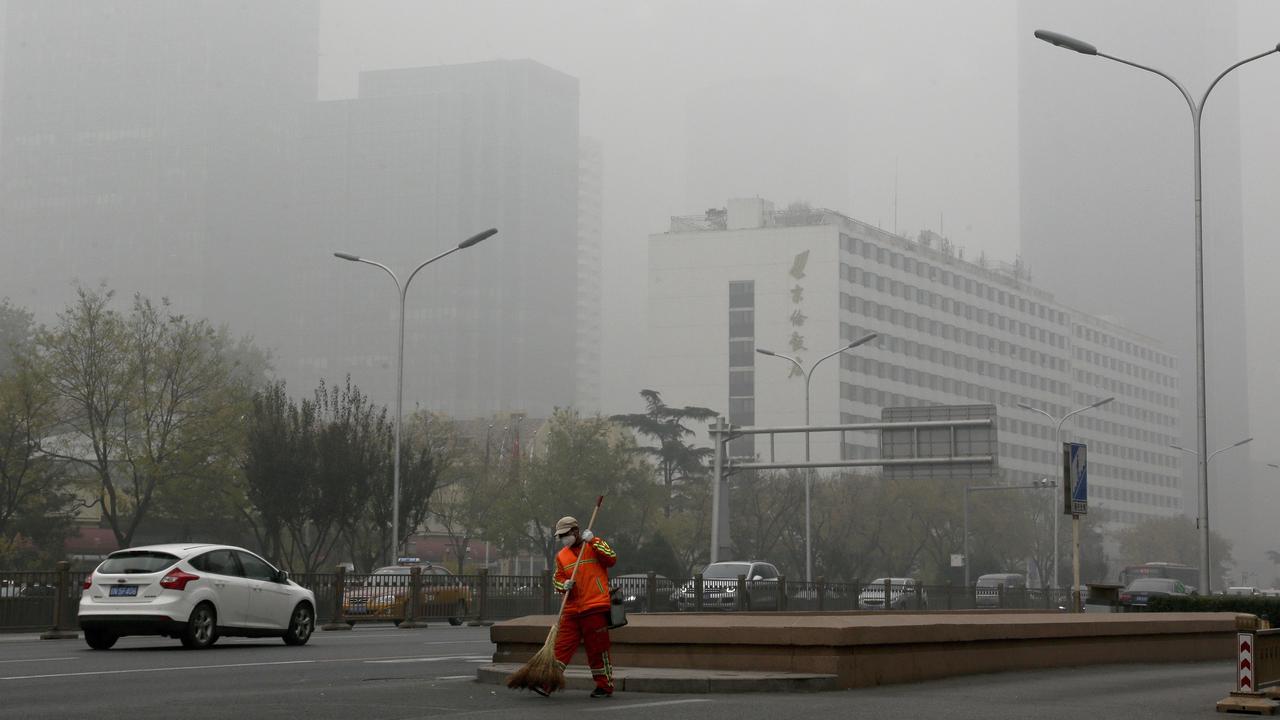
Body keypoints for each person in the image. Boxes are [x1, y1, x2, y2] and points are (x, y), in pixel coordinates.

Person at [538, 514, 618, 699]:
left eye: (565, 534)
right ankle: (548, 683)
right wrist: (563, 584)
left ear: (576, 531)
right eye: (560, 536)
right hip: (571, 609)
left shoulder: (593, 545)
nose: (562, 538)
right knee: (560, 648)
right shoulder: (562, 555)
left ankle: (604, 686)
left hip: (595, 606)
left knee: (597, 649)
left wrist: (595, 540)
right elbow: (557, 578)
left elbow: (611, 559)